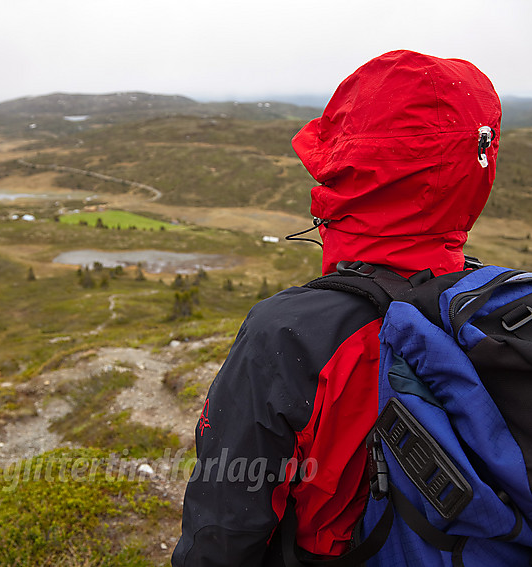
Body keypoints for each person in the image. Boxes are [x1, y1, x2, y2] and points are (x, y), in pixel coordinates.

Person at [172, 49, 501, 566]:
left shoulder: (287, 335)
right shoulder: (504, 307)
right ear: (478, 168)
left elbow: (223, 530)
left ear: (343, 171)